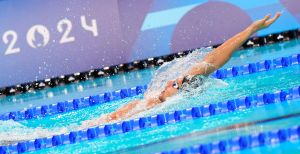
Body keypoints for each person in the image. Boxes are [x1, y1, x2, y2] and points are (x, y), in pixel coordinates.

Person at [82, 13, 281, 127]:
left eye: (175, 85)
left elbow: (216, 61)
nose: (169, 83)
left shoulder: (155, 109)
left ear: (181, 95)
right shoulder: (149, 102)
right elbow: (212, 59)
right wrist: (249, 30)